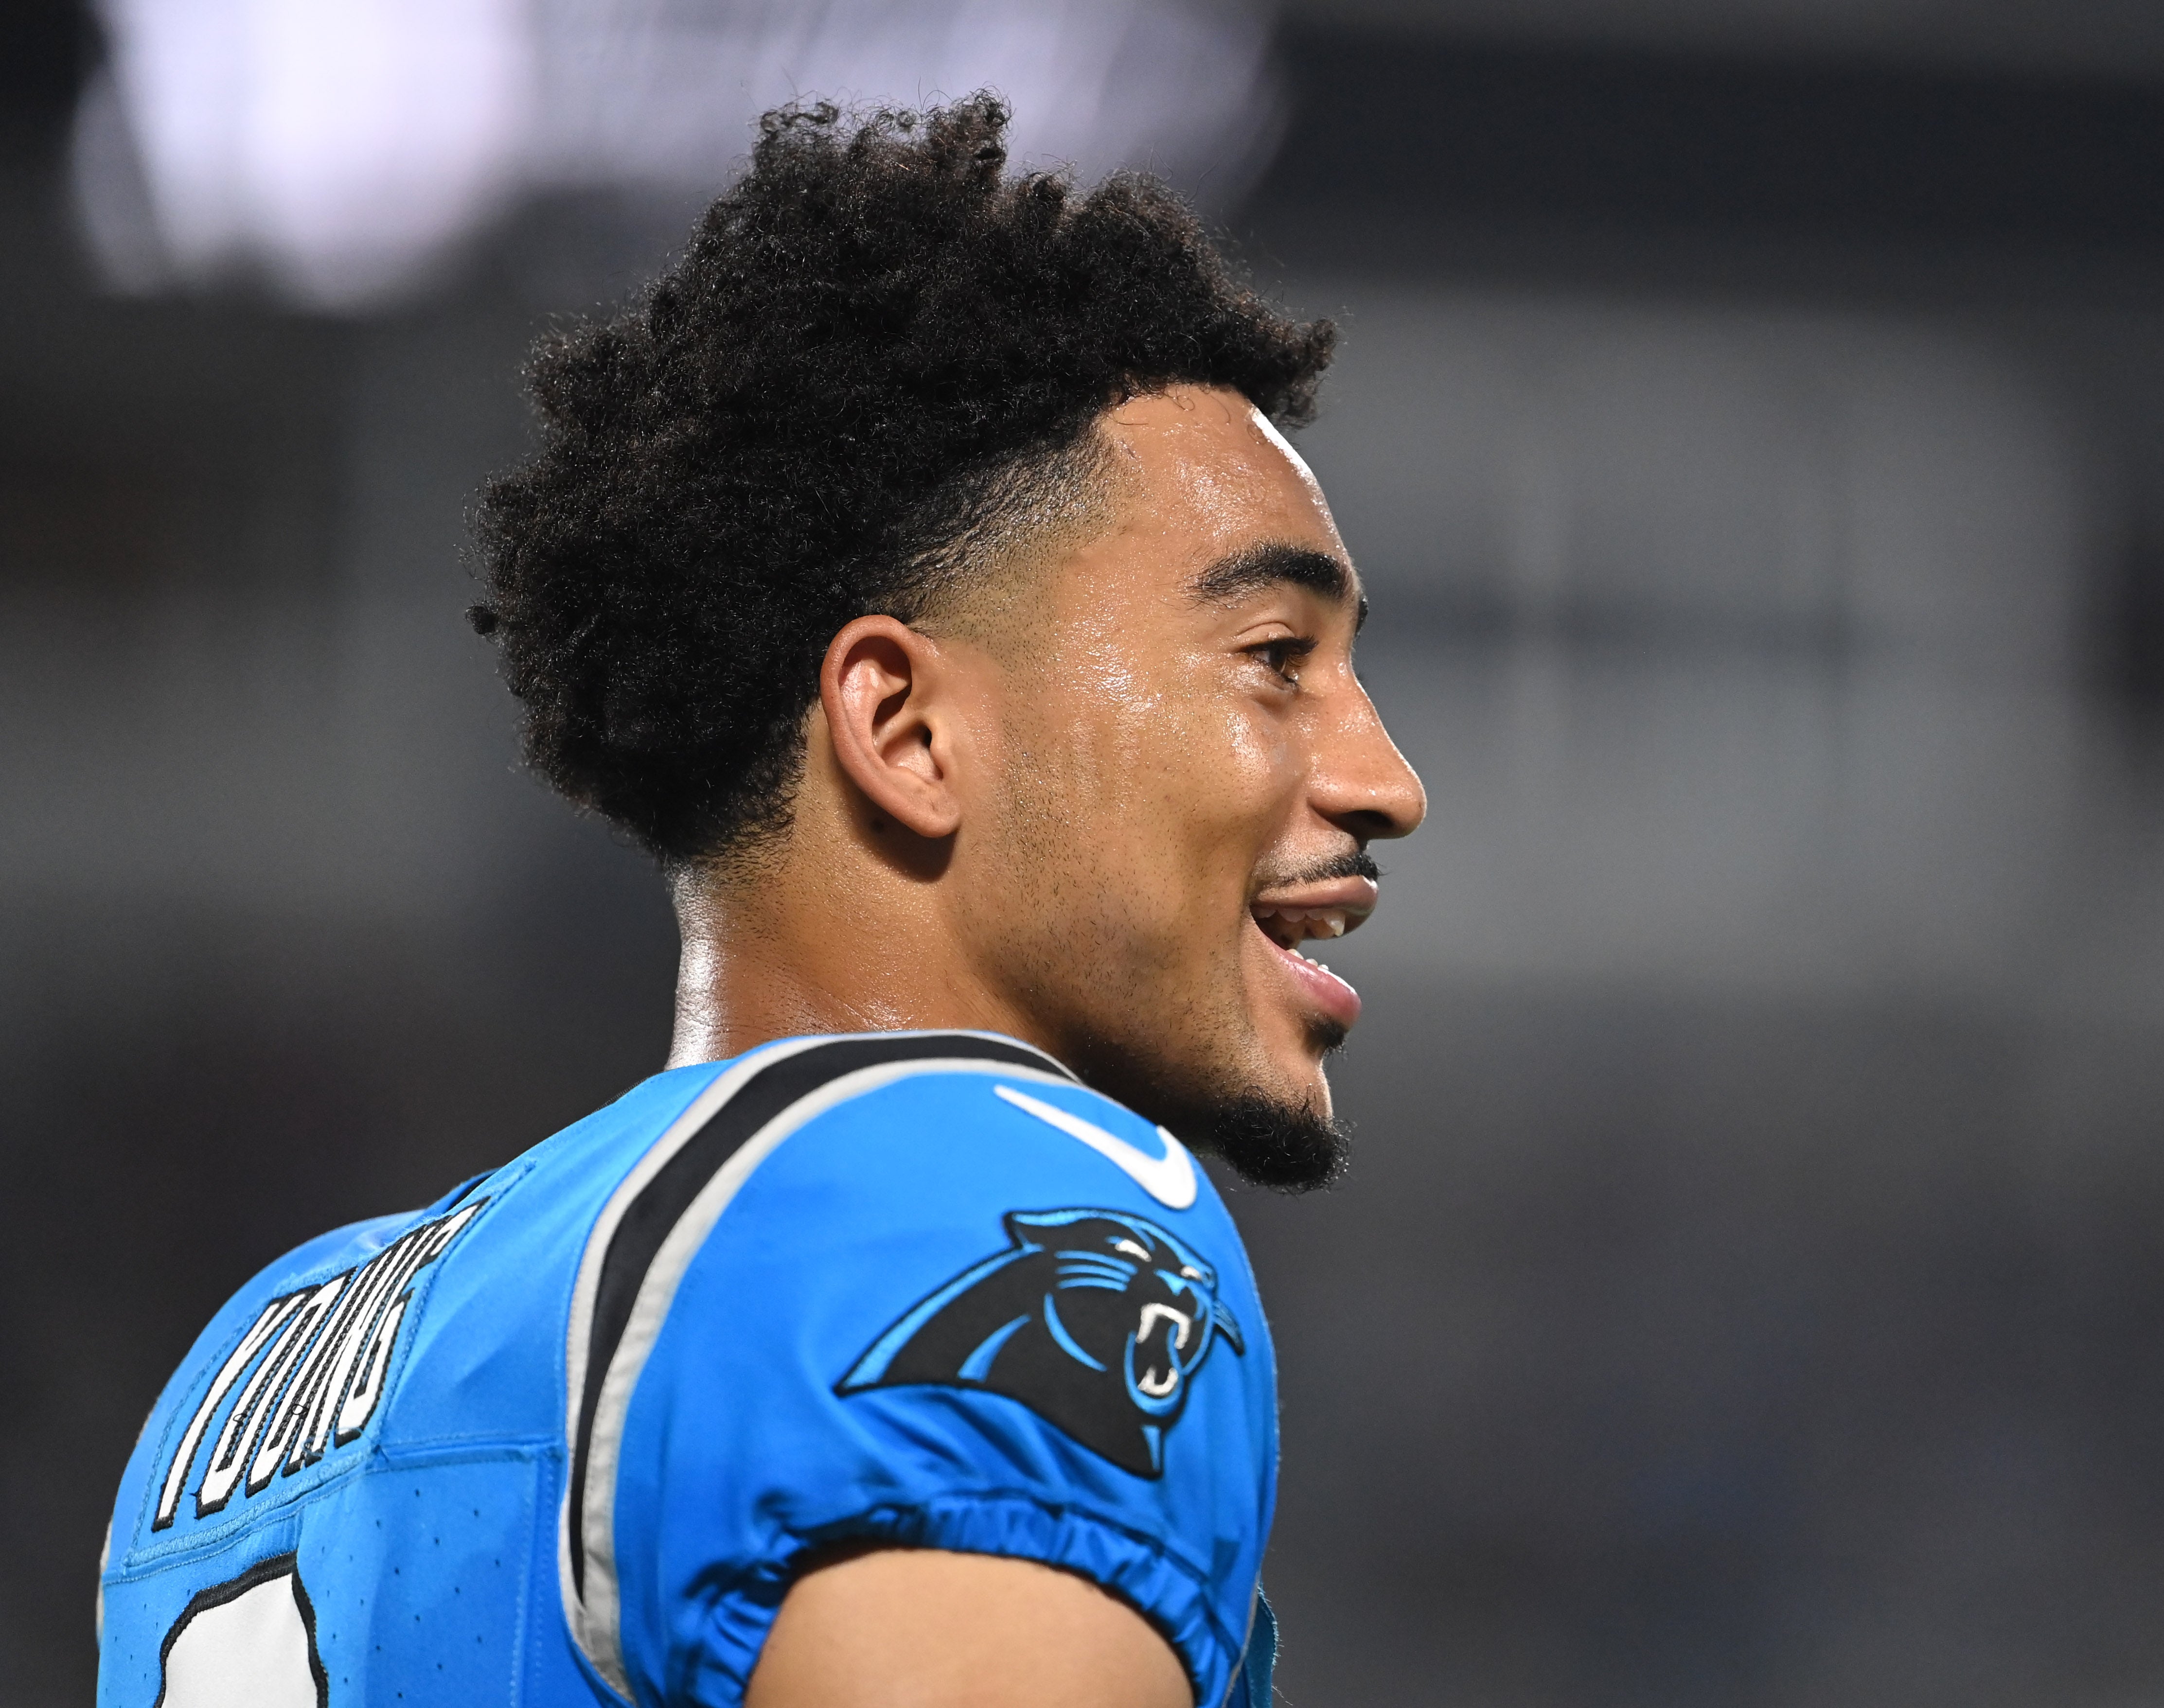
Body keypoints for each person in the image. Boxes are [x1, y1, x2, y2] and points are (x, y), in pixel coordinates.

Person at [94, 95, 1423, 1708]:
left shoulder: (265, 1351)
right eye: (1276, 659)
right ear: (906, 727)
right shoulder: (998, 1209)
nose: (1386, 779)